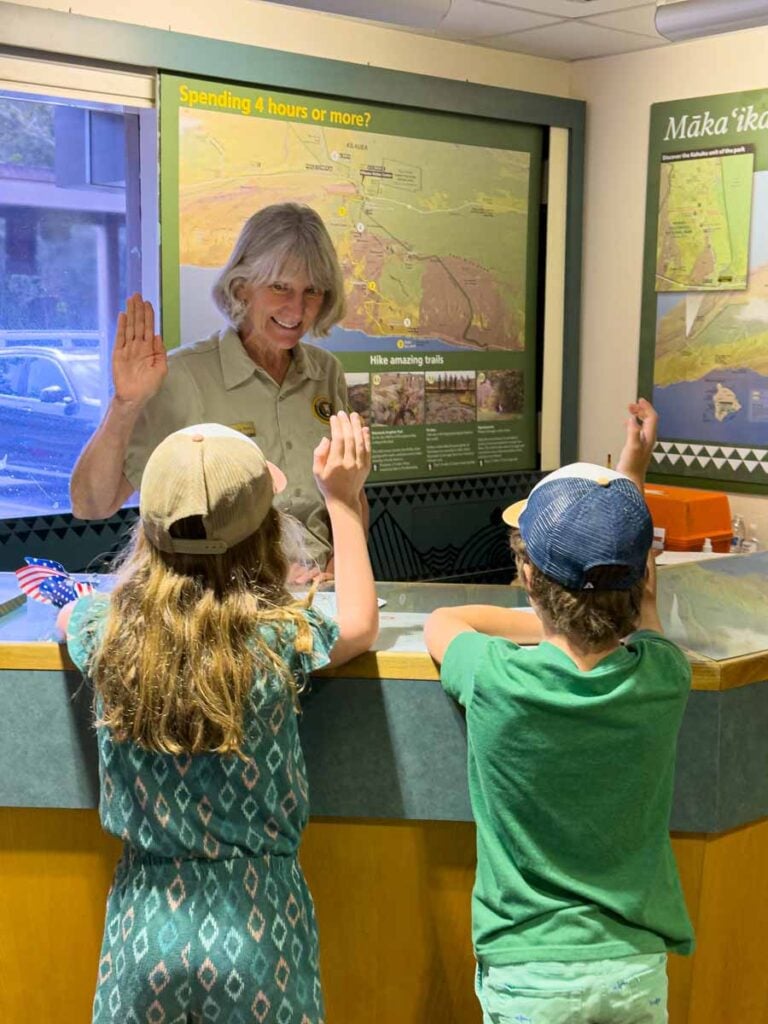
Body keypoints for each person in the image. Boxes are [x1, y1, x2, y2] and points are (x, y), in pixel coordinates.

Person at [58, 410, 377, 1023]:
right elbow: (360, 623)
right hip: (260, 921)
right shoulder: (278, 637)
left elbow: (69, 617)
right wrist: (342, 501)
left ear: (147, 535)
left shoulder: (107, 632)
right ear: (267, 532)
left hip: (145, 923)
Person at [424, 399, 694, 1024]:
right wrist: (633, 471)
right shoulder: (663, 676)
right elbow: (642, 608)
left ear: (527, 574)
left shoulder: (494, 677)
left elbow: (444, 621)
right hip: (633, 967)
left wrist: (549, 619)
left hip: (528, 971)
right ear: (641, 576)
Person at [70, 202, 363, 583]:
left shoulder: (327, 373)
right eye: (280, 287)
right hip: (223, 602)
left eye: (312, 291)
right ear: (241, 288)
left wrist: (338, 570)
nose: (297, 309)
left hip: (319, 597)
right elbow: (91, 505)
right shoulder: (181, 376)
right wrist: (125, 404)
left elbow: (351, 494)